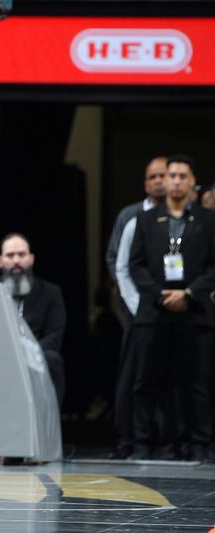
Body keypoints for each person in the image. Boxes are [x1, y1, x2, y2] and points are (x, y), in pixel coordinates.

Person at [129, 154, 215, 462]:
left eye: (182, 176)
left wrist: (189, 294)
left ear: (192, 182)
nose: (176, 180)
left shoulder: (208, 220)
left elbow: (212, 267)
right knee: (148, 381)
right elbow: (135, 265)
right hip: (154, 312)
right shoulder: (146, 220)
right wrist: (160, 295)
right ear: (164, 181)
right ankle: (145, 443)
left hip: (195, 314)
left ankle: (199, 443)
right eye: (172, 175)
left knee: (196, 382)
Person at [108, 156, 166, 459]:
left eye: (163, 175)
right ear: (146, 183)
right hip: (137, 310)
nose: (159, 181)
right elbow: (117, 263)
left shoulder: (185, 217)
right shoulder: (131, 216)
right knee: (135, 376)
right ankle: (130, 440)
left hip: (176, 311)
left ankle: (172, 440)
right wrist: (133, 307)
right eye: (153, 176)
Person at [0, 233, 66, 403]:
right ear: (0, 261)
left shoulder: (50, 292)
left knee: (53, 359)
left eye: (21, 254)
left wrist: (25, 354)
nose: (16, 261)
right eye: (10, 255)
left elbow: (54, 337)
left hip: (37, 356)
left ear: (31, 259)